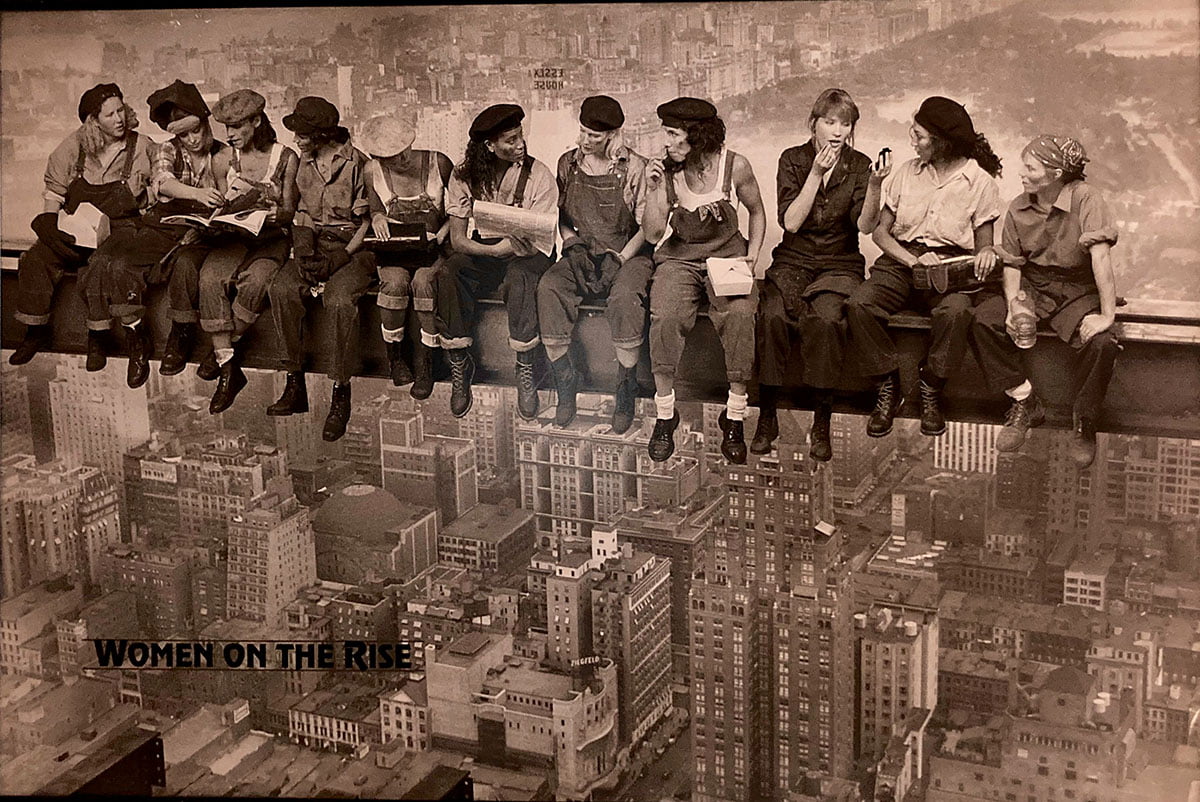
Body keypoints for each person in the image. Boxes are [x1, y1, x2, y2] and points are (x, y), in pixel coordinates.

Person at [844, 96, 1003, 439]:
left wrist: (985, 256)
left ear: (942, 142)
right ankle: (888, 383)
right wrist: (914, 260)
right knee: (860, 305)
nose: (912, 142)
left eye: (919, 136)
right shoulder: (906, 172)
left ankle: (931, 385)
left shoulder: (980, 184)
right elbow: (880, 234)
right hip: (902, 261)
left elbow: (982, 246)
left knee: (956, 314)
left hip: (950, 267)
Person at [969, 135, 1119, 469]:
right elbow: (1012, 263)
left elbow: (1101, 259)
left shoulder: (1087, 199)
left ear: (1053, 173)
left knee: (1103, 344)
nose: (1021, 173)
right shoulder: (1018, 207)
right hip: (1033, 284)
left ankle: (1084, 421)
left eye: (1030, 167)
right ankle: (1024, 399)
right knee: (984, 321)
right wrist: (1012, 305)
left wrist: (1107, 314)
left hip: (1076, 288)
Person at [754, 88, 887, 461]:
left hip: (839, 263)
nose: (838, 131)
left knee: (827, 321)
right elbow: (791, 222)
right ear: (813, 123)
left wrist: (874, 186)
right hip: (793, 259)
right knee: (772, 317)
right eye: (830, 121)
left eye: (845, 123)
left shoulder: (859, 166)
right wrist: (816, 173)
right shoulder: (793, 160)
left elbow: (864, 226)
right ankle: (768, 415)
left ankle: (822, 420)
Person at [84, 79, 232, 389]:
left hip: (205, 231)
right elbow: (163, 182)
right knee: (115, 261)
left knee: (182, 267)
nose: (191, 140)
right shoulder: (168, 149)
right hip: (164, 222)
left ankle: (181, 332)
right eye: (183, 134)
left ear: (207, 124)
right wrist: (198, 193)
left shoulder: (224, 154)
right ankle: (136, 334)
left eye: (196, 131)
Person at [642, 97, 766, 464]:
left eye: (673, 134)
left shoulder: (735, 166)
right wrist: (653, 191)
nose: (666, 142)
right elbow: (651, 235)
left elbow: (758, 212)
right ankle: (666, 415)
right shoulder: (667, 172)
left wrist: (753, 254)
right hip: (680, 258)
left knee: (741, 314)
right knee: (665, 315)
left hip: (727, 257)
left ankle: (735, 415)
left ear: (696, 137)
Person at [9, 83, 155, 369]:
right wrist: (50, 222)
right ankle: (35, 330)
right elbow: (54, 191)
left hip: (122, 229)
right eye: (110, 114)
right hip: (79, 228)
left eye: (121, 110)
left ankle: (97, 337)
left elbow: (158, 190)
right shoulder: (73, 146)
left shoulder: (142, 147)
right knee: (36, 259)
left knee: (101, 265)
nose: (119, 119)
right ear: (93, 120)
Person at [431, 103, 559, 419]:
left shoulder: (539, 175)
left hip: (528, 253)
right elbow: (458, 239)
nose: (520, 145)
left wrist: (515, 247)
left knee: (521, 279)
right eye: (510, 141)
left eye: (520, 137)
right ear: (490, 145)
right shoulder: (463, 176)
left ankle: (526, 366)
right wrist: (492, 251)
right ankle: (460, 361)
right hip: (490, 249)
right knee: (450, 271)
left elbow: (544, 238)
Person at [537, 95, 653, 431]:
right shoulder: (568, 164)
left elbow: (648, 227)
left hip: (628, 252)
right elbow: (558, 216)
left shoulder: (635, 168)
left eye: (595, 136)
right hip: (581, 252)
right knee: (549, 288)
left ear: (614, 135)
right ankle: (566, 383)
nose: (585, 141)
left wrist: (620, 258)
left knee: (624, 300)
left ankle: (625, 388)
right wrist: (571, 243)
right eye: (583, 132)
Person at [265, 96, 375, 441]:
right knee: (281, 289)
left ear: (323, 134)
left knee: (340, 301)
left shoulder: (359, 164)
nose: (296, 139)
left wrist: (340, 258)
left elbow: (370, 222)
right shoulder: (303, 164)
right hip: (314, 243)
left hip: (355, 247)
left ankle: (341, 392)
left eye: (303, 133)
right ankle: (294, 381)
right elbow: (302, 213)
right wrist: (304, 248)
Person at [194, 89, 300, 414]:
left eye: (237, 127)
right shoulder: (223, 159)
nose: (231, 135)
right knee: (210, 279)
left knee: (256, 282)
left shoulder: (286, 158)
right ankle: (230, 373)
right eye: (226, 128)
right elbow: (223, 204)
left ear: (256, 121)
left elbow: (288, 212)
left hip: (271, 238)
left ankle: (220, 352)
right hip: (234, 237)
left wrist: (270, 214)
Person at [358, 114, 453, 395]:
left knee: (424, 283)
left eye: (403, 153)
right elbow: (375, 209)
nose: (401, 160)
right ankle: (395, 357)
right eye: (391, 158)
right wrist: (377, 218)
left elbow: (461, 209)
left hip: (434, 248)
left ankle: (427, 362)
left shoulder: (439, 163)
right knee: (394, 283)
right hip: (396, 251)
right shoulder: (371, 171)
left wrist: (444, 233)